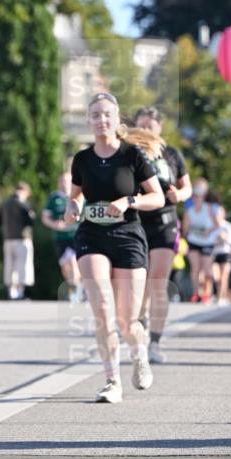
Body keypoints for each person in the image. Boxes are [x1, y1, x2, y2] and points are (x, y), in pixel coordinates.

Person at [65, 92, 164, 404]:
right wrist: (72, 205)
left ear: (117, 119)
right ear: (89, 121)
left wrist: (128, 201)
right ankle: (112, 381)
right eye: (95, 115)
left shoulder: (132, 155)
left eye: (106, 114)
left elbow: (158, 198)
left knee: (127, 321)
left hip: (128, 237)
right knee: (103, 311)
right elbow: (77, 195)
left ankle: (139, 353)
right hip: (91, 236)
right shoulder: (81, 159)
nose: (101, 120)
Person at [133, 107, 192, 363]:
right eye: (141, 125)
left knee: (158, 283)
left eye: (150, 125)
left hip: (165, 222)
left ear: (160, 127)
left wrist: (179, 195)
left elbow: (186, 186)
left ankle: (155, 342)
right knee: (140, 284)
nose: (146, 130)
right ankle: (141, 327)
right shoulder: (129, 154)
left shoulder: (171, 154)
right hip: (136, 223)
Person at [42, 171, 81, 303]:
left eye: (67, 181)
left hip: (76, 236)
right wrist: (54, 224)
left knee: (73, 263)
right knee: (65, 267)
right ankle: (74, 285)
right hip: (60, 238)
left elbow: (86, 214)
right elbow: (45, 218)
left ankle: (75, 291)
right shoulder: (54, 198)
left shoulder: (78, 196)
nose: (64, 183)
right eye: (62, 181)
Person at [183, 179, 221, 303]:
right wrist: (192, 231)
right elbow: (185, 229)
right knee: (195, 268)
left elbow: (217, 225)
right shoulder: (189, 210)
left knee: (206, 270)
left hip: (207, 242)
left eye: (199, 195)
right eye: (194, 195)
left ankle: (206, 293)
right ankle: (196, 293)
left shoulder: (209, 208)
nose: (196, 197)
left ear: (203, 196)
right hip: (194, 241)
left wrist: (208, 231)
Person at [0, 182, 35, 300]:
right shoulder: (23, 204)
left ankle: (11, 291)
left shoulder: (4, 203)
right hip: (22, 238)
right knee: (22, 265)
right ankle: (20, 291)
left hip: (8, 238)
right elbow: (30, 220)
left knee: (9, 265)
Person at [208, 202, 231, 306]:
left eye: (219, 213)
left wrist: (225, 238)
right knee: (216, 277)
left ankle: (221, 298)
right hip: (215, 254)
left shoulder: (228, 226)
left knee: (224, 277)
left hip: (225, 253)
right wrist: (215, 238)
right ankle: (217, 295)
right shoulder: (211, 225)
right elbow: (207, 239)